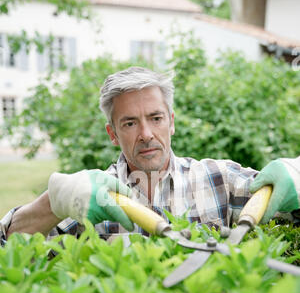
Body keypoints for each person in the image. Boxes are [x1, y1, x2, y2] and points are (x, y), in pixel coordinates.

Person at [1, 66, 300, 245]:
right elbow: (9, 249)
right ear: (112, 133)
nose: (146, 133)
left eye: (155, 118)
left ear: (171, 122)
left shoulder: (219, 179)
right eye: (130, 123)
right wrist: (52, 202)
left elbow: (286, 209)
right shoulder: (91, 195)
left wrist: (296, 176)